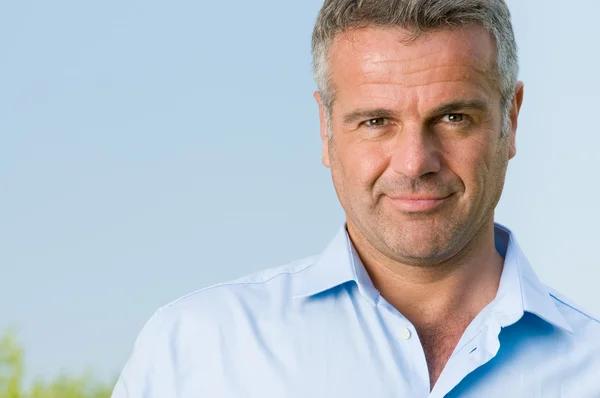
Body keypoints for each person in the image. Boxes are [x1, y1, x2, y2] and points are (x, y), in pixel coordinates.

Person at [112, 0, 600, 397]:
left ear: (510, 120)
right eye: (375, 122)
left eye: (453, 117)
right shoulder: (195, 353)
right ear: (325, 129)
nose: (414, 162)